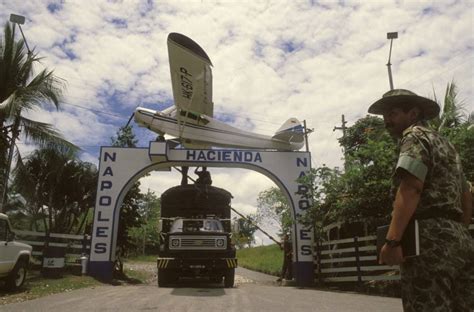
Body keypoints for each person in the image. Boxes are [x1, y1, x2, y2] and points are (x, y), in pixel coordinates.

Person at [369, 89, 473, 311]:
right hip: (460, 240)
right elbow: (466, 195)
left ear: (413, 114)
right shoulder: (449, 146)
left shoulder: (414, 136)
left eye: (393, 113)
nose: (387, 119)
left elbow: (411, 188)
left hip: (427, 240)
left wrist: (393, 241)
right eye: (385, 115)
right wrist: (458, 234)